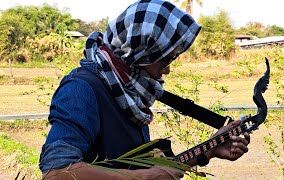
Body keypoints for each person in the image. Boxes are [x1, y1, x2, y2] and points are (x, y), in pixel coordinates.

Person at [39, 0, 250, 179]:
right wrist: (144, 178)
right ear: (137, 55)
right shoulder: (82, 89)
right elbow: (56, 172)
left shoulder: (128, 91)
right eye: (163, 60)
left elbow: (139, 169)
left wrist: (207, 151)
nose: (167, 70)